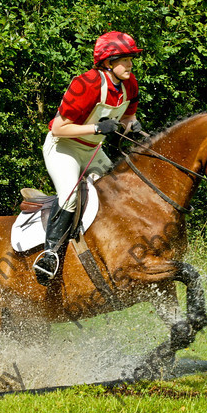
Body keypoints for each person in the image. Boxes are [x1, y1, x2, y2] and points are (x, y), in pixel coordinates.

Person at [33, 31, 144, 285]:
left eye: (131, 59)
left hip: (93, 150)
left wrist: (132, 126)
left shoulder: (130, 84)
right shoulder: (87, 84)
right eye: (125, 60)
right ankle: (49, 256)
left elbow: (128, 117)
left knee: (119, 193)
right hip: (64, 148)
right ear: (107, 62)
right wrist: (96, 129)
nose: (130, 64)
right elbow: (58, 128)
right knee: (70, 196)